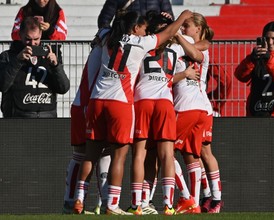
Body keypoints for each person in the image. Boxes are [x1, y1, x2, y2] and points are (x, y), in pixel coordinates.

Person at [73, 9, 193, 215]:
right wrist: (182, 17)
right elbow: (168, 33)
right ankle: (112, 205)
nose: (145, 32)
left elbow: (100, 31)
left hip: (96, 99)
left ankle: (78, 200)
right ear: (136, 28)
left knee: (90, 155)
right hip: (120, 102)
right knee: (118, 156)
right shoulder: (141, 43)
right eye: (143, 29)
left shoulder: (108, 36)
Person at [127, 11, 199, 216]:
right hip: (165, 103)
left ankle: (137, 204)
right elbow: (196, 49)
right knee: (167, 155)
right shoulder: (176, 47)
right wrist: (178, 21)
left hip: (143, 101)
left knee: (139, 154)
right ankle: (168, 204)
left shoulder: (141, 46)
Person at [174, 12, 223, 213]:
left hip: (194, 105)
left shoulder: (199, 46)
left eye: (187, 25)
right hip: (200, 106)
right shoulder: (193, 45)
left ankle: (208, 198)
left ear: (198, 29)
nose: (184, 29)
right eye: (183, 26)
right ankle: (206, 197)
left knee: (200, 151)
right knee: (194, 153)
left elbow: (202, 47)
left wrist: (176, 36)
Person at [62, 29, 111, 215]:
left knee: (81, 155)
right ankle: (106, 203)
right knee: (101, 153)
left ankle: (72, 201)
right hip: (90, 105)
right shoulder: (108, 50)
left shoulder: (100, 49)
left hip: (82, 103)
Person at [0, 16, 69, 118]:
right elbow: (2, 85)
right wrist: (17, 61)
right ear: (20, 35)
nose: (32, 43)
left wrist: (55, 66)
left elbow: (63, 88)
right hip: (18, 117)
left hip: (47, 116)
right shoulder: (8, 56)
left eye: (36, 39)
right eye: (28, 39)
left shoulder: (50, 55)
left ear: (41, 35)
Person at [234, 21, 274, 116]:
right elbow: (240, 76)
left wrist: (269, 59)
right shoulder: (256, 57)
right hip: (256, 109)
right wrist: (251, 59)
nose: (270, 42)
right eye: (267, 38)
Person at [97, 0, 174, 29]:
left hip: (154, 42)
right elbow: (104, 20)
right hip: (127, 42)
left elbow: (170, 19)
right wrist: (110, 39)